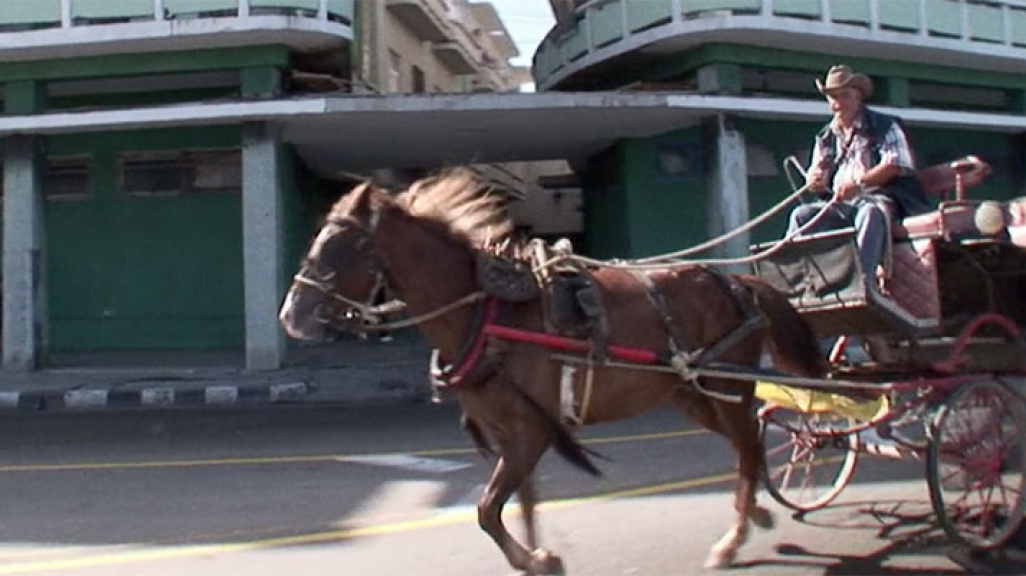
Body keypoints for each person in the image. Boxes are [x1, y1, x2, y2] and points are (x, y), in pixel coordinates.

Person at [788, 64, 930, 280]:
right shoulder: (826, 137)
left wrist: (860, 185)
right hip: (840, 205)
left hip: (882, 199)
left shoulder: (884, 125)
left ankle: (863, 279)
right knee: (802, 216)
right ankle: (798, 278)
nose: (837, 103)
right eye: (832, 97)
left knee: (870, 213)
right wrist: (815, 180)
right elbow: (819, 174)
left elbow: (895, 164)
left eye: (843, 96)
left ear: (858, 97)